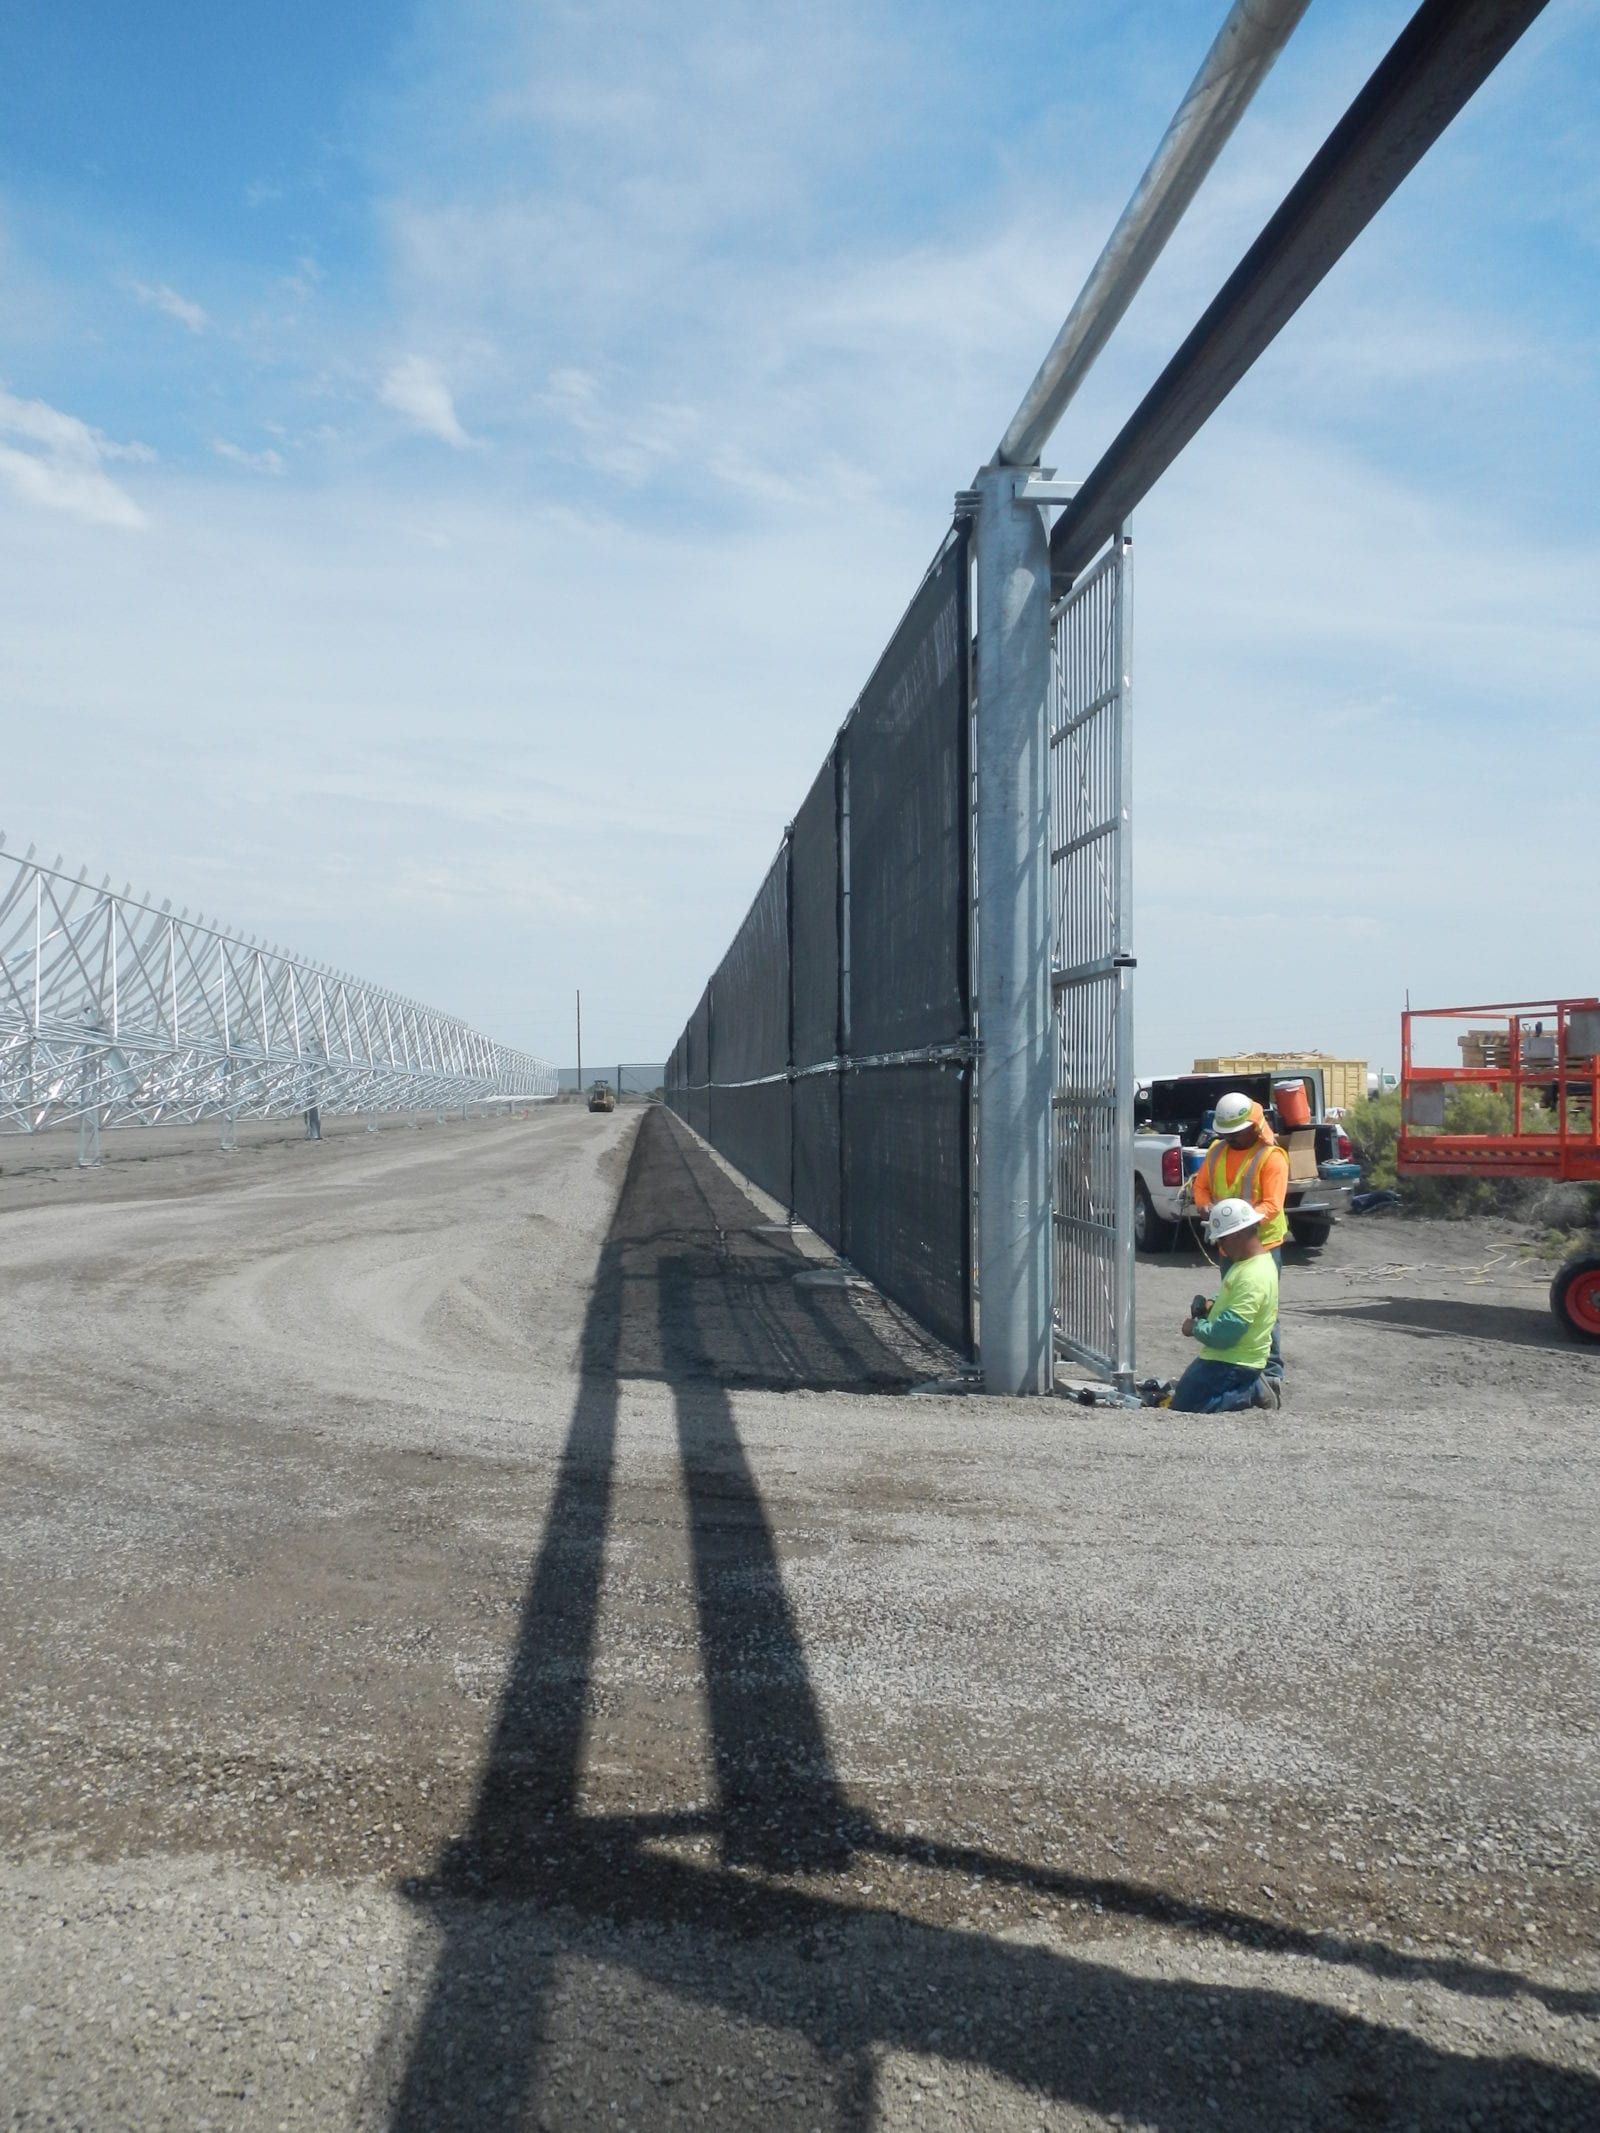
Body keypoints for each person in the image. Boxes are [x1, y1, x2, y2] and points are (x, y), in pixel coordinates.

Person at [1189, 1090, 1289, 1385]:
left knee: (1262, 1311)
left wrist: (1234, 1224)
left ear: (1253, 1126)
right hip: (1228, 1248)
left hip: (1262, 1248)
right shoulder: (1217, 1151)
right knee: (1230, 1306)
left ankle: (1270, 1374)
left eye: (1237, 1133)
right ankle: (1236, 1367)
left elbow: (1272, 1205)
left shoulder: (1272, 1158)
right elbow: (1201, 1187)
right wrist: (1204, 1205)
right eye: (1226, 1134)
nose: (1231, 1139)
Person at [1170, 1197, 1280, 1412]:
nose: (1220, 1246)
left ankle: (1250, 1392)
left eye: (1222, 1240)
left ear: (1237, 1235)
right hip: (1229, 1357)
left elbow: (1226, 1334)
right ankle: (1249, 1385)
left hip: (1234, 1361)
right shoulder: (1248, 1264)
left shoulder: (1253, 1275)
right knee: (1184, 1394)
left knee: (1187, 1407)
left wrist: (1195, 1328)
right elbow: (1231, 1294)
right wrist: (1214, 1303)